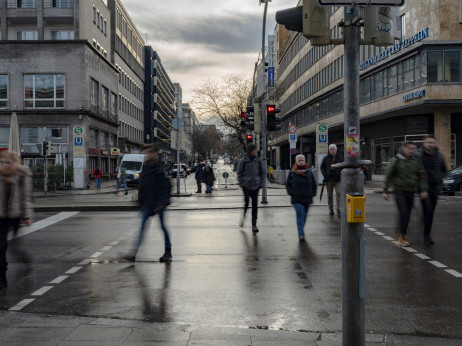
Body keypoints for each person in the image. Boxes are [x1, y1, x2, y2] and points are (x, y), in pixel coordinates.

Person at [123, 143, 172, 262]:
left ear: (154, 153)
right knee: (142, 228)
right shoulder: (145, 167)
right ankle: (133, 254)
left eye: (149, 152)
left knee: (163, 227)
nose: (147, 155)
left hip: (158, 204)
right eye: (145, 153)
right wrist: (140, 202)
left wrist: (162, 203)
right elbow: (143, 186)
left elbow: (167, 186)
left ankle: (168, 251)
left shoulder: (159, 168)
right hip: (148, 203)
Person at [383, 142, 428, 247]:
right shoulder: (396, 160)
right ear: (404, 148)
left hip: (411, 191)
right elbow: (388, 175)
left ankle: (402, 234)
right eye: (410, 149)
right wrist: (385, 190)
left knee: (407, 214)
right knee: (404, 213)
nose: (412, 151)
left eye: (414, 149)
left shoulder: (416, 161)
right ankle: (402, 237)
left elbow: (421, 176)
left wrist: (423, 190)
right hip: (399, 191)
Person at [0, 152, 33, 288]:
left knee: (14, 246)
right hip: (1, 216)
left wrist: (27, 216)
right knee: (1, 247)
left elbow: (26, 197)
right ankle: (2, 277)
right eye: (3, 163)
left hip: (15, 215)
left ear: (15, 163)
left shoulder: (21, 176)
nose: (6, 165)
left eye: (9, 163)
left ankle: (26, 261)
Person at [415, 136, 447, 246]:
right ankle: (426, 236)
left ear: (435, 144)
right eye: (428, 142)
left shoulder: (439, 155)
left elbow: (444, 169)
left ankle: (426, 231)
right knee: (427, 210)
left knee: (430, 212)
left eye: (432, 142)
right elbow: (416, 170)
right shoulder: (419, 155)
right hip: (423, 188)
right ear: (424, 143)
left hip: (435, 187)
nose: (430, 144)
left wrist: (439, 177)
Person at [286, 155, 317, 241]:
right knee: (300, 214)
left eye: (302, 160)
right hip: (297, 199)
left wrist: (313, 193)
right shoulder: (292, 172)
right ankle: (301, 234)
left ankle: (301, 229)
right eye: (299, 160)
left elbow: (314, 184)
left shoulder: (309, 172)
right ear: (296, 162)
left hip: (307, 198)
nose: (301, 162)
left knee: (304, 216)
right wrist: (291, 192)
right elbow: (288, 184)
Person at [237, 144, 265, 233]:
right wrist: (242, 184)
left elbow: (263, 172)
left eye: (255, 150)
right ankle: (243, 219)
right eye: (254, 150)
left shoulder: (258, 161)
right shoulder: (243, 161)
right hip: (246, 185)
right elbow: (239, 173)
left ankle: (254, 225)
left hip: (256, 186)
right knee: (246, 203)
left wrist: (261, 184)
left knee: (255, 205)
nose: (255, 151)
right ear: (250, 151)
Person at [321, 144, 342, 215]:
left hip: (338, 179)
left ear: (336, 150)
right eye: (331, 149)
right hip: (329, 179)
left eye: (333, 149)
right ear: (329, 150)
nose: (332, 150)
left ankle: (338, 208)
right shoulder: (326, 158)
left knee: (339, 193)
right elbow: (322, 167)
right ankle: (331, 209)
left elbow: (343, 167)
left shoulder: (340, 158)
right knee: (329, 195)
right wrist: (325, 174)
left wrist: (340, 173)